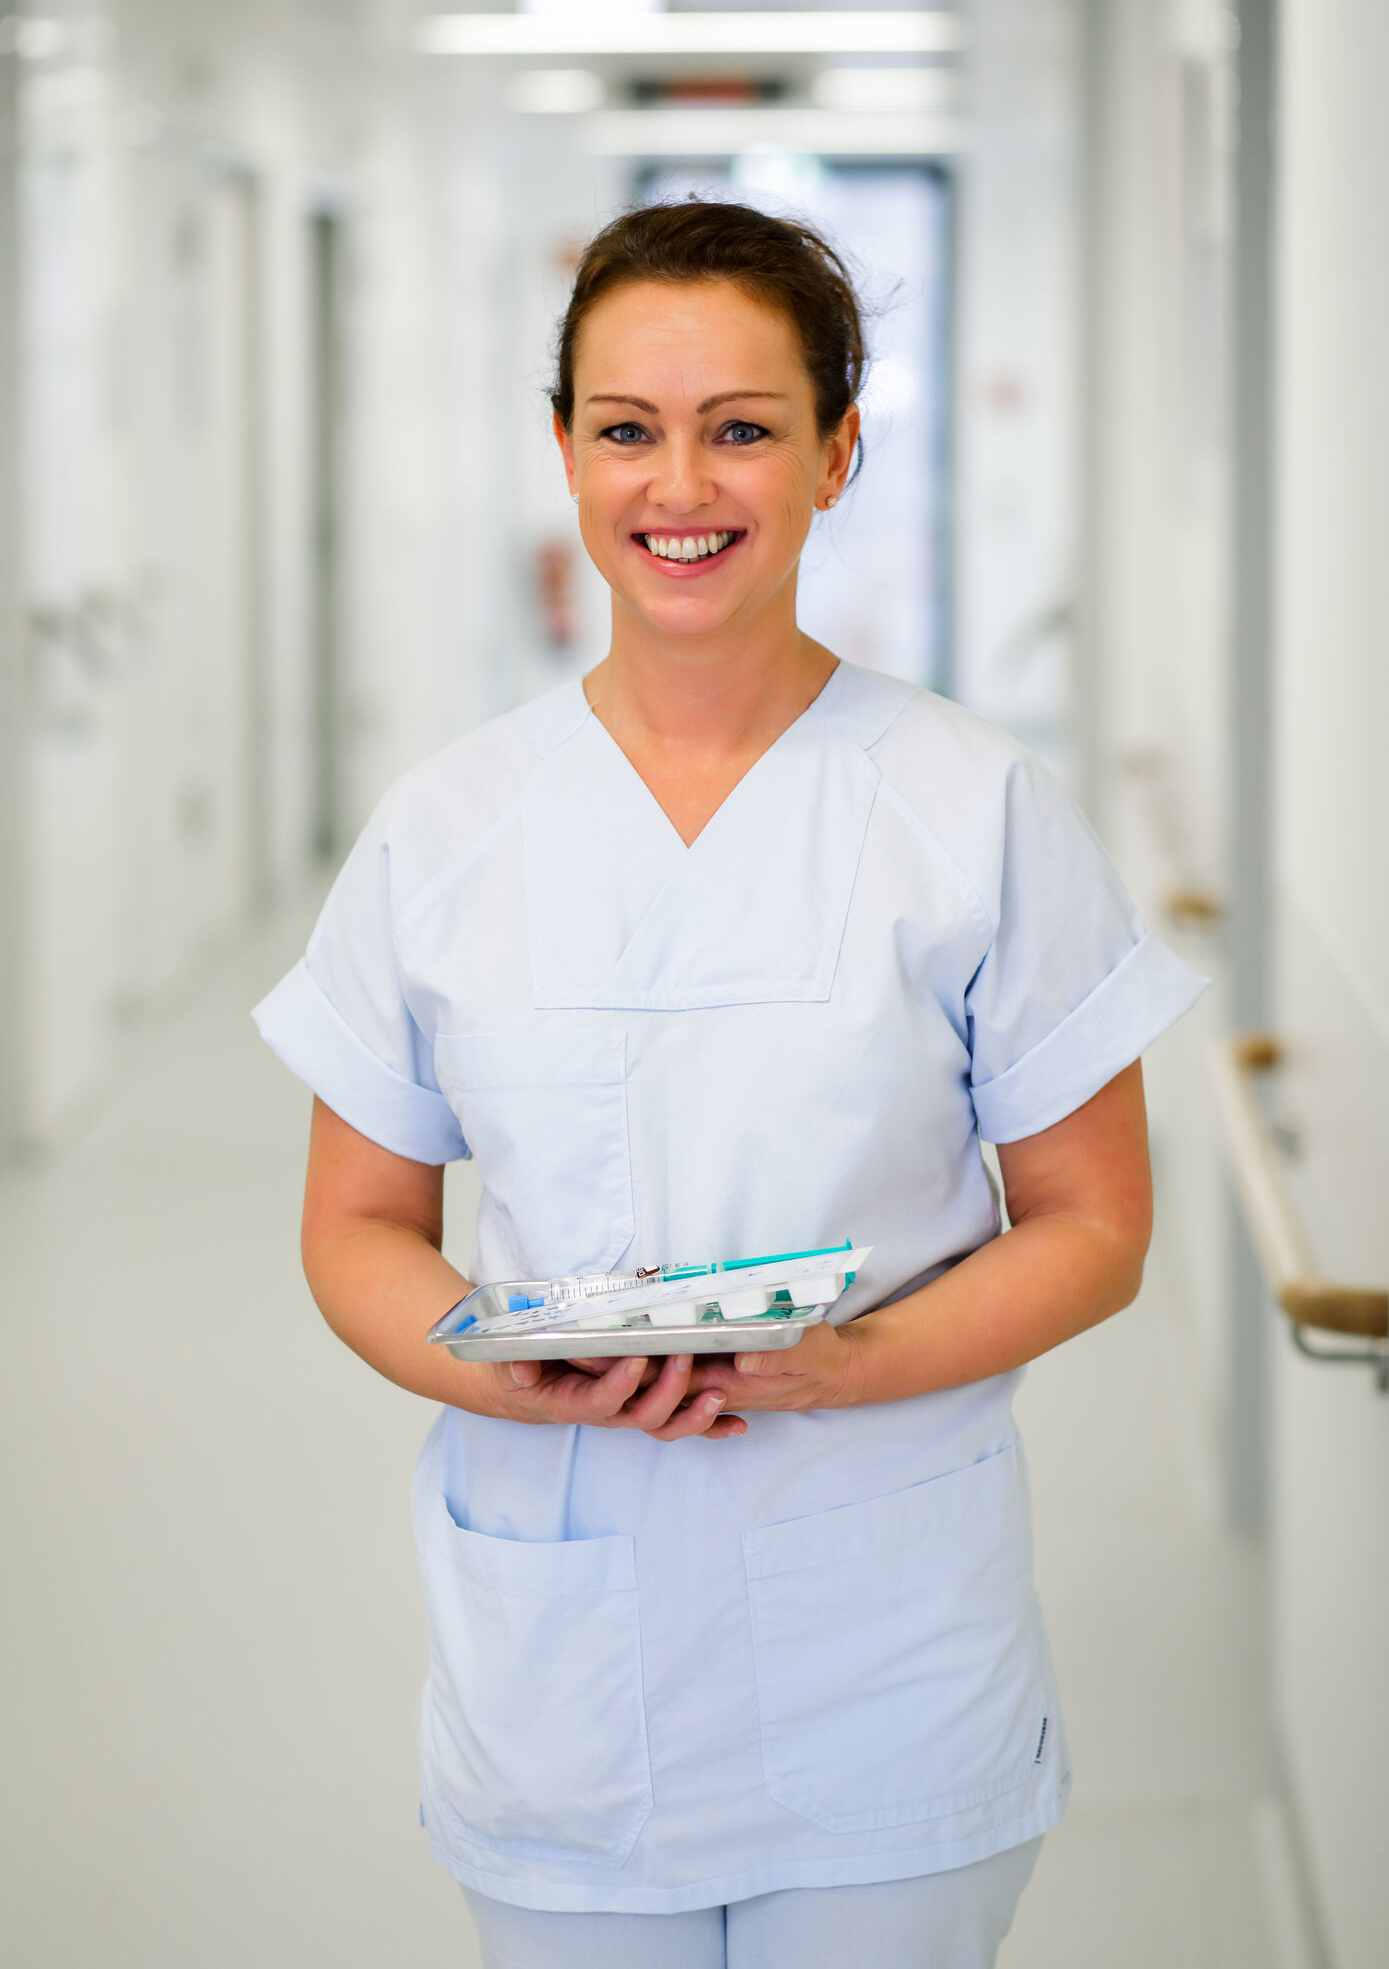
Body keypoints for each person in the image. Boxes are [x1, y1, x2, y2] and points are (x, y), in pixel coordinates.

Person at [253, 200, 1204, 1968]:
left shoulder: (971, 805)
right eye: (625, 428)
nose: (677, 484)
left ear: (839, 453)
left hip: (883, 1643)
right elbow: (359, 1229)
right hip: (560, 1650)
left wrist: (851, 1364)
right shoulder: (446, 829)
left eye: (743, 427)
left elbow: (1092, 1224)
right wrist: (512, 1369)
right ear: (562, 449)